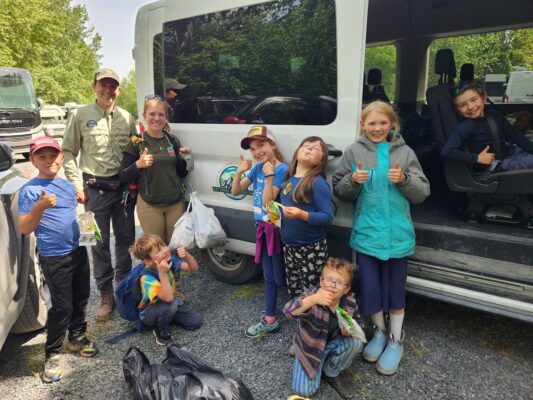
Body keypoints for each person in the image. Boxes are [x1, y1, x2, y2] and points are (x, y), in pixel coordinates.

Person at [332, 100, 430, 376]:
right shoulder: (353, 151)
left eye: (383, 123)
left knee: (396, 291)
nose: (377, 128)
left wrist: (405, 180)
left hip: (398, 236)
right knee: (371, 289)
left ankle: (396, 340)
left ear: (392, 124)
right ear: (363, 125)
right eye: (371, 123)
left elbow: (423, 192)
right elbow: (339, 190)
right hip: (368, 235)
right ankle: (379, 332)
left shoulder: (406, 152)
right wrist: (353, 180)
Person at [18, 137, 98, 383]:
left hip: (78, 249)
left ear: (61, 157)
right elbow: (24, 228)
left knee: (82, 295)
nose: (49, 161)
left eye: (53, 156)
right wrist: (40, 206)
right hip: (54, 256)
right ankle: (52, 353)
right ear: (33, 160)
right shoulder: (30, 190)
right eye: (41, 157)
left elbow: (70, 213)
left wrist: (86, 220)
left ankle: (76, 337)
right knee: (62, 305)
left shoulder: (66, 185)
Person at [62, 68, 137, 321]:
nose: (108, 90)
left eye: (112, 86)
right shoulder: (79, 115)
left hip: (123, 189)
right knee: (96, 241)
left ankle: (124, 286)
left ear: (119, 90)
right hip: (93, 190)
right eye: (103, 85)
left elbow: (137, 149)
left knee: (126, 238)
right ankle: (106, 294)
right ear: (94, 86)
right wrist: (76, 186)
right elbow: (68, 152)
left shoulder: (127, 117)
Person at [231, 125, 289, 338]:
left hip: (275, 230)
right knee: (269, 274)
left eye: (261, 145)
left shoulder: (281, 169)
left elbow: (268, 202)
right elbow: (236, 191)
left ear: (272, 144)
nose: (256, 151)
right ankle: (270, 317)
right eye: (253, 148)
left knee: (278, 275)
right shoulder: (257, 168)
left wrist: (270, 176)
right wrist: (239, 172)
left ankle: (293, 310)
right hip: (261, 228)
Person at [284, 258, 364, 398]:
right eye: (329, 279)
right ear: (321, 281)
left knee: (356, 343)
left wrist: (351, 331)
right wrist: (313, 299)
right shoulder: (312, 294)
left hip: (332, 344)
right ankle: (299, 351)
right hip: (310, 348)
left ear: (346, 289)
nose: (333, 285)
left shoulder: (349, 301)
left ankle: (330, 370)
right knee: (303, 392)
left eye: (339, 282)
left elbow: (359, 324)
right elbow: (288, 311)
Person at [119, 95, 190, 244]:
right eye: (152, 114)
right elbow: (123, 176)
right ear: (144, 115)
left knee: (175, 246)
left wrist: (185, 158)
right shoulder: (136, 142)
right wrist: (138, 164)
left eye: (161, 114)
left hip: (175, 203)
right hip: (150, 205)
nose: (157, 118)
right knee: (156, 249)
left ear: (166, 117)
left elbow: (182, 173)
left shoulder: (172, 140)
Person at [280, 136, 333, 298]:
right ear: (297, 153)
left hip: (310, 248)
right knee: (296, 291)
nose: (309, 148)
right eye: (306, 145)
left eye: (316, 148)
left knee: (313, 293)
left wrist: (301, 214)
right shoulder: (288, 181)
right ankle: (301, 313)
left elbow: (327, 217)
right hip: (289, 247)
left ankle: (315, 315)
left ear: (321, 160)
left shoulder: (317, 182)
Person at [441, 79, 533, 171]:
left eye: (474, 100)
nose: (470, 107)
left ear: (483, 97)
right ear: (458, 110)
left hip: (510, 152)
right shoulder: (466, 126)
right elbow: (447, 151)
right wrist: (477, 158)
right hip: (497, 165)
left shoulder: (495, 115)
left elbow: (515, 136)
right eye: (462, 105)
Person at [130, 233, 202, 345]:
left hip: (170, 302)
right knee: (171, 305)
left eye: (163, 245)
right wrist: (162, 274)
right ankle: (160, 328)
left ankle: (167, 318)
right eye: (158, 250)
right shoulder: (146, 278)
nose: (165, 250)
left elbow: (194, 268)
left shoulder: (170, 261)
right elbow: (168, 298)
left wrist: (186, 256)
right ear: (148, 261)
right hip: (150, 312)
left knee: (195, 321)